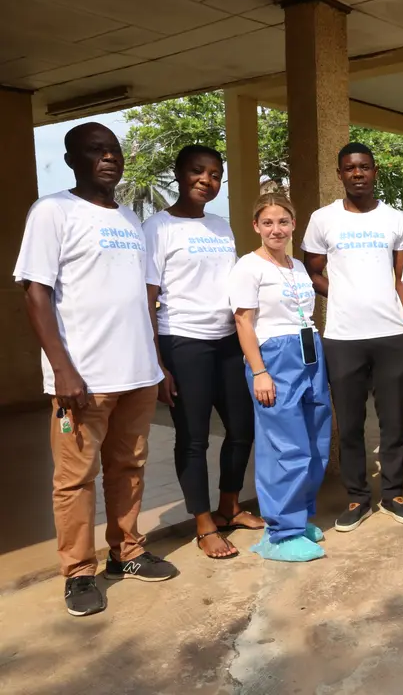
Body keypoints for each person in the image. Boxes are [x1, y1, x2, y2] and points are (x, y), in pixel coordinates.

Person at [14, 122, 178, 617]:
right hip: (82, 380)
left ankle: (126, 552)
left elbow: (139, 300)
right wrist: (62, 369)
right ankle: (79, 571)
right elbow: (35, 292)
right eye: (94, 151)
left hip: (137, 374)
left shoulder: (129, 218)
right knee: (74, 479)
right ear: (72, 160)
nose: (108, 158)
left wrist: (157, 362)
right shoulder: (53, 212)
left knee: (129, 468)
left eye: (113, 150)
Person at [144, 145, 260, 560]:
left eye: (214, 174)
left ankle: (229, 505)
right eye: (197, 171)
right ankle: (204, 522)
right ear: (179, 173)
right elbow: (148, 298)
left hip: (227, 341)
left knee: (243, 427)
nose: (206, 180)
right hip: (183, 342)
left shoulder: (220, 226)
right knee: (193, 439)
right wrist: (157, 362)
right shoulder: (157, 228)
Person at [301, 143, 403, 533]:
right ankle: (357, 496)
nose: (357, 174)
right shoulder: (323, 219)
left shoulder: (395, 219)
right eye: (350, 168)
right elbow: (312, 270)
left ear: (375, 171)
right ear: (340, 174)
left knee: (393, 421)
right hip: (343, 336)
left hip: (393, 334)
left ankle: (394, 493)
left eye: (364, 167)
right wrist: (340, 295)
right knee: (350, 422)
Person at [228, 193, 331, 562]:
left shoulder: (298, 266)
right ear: (256, 225)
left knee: (315, 441)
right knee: (285, 446)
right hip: (273, 357)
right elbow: (243, 321)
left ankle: (298, 517)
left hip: (309, 353)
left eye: (283, 222)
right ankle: (281, 532)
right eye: (268, 222)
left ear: (293, 225)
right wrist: (259, 371)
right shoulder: (248, 267)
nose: (276, 229)